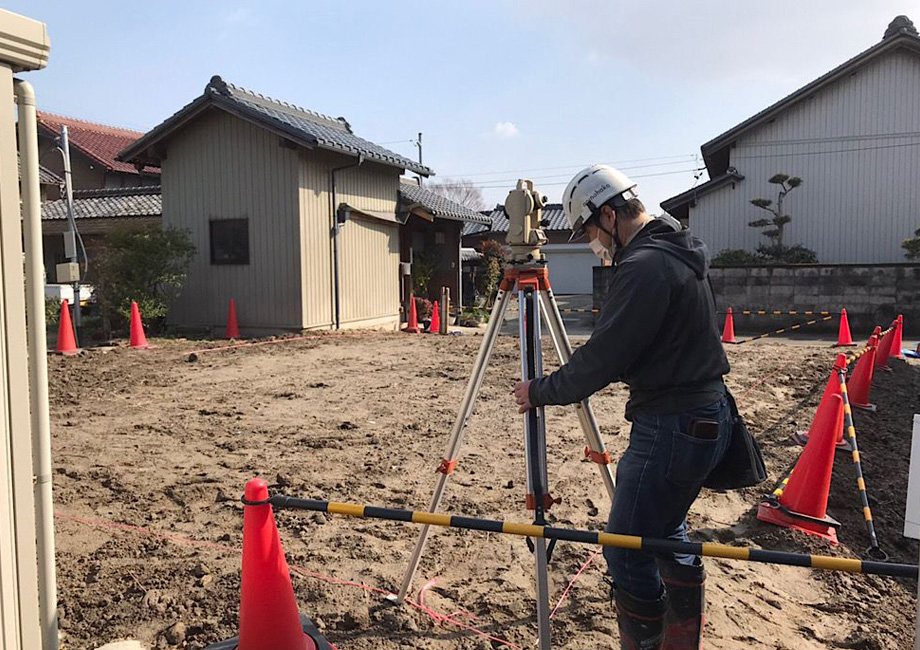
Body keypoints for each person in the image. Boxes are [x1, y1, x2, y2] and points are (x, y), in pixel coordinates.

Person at [512, 164, 731, 650]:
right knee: (666, 528)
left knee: (627, 549)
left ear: (609, 214)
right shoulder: (676, 250)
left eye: (590, 230)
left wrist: (540, 391)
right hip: (705, 416)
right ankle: (680, 641)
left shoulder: (644, 266)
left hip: (671, 425)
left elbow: (602, 358)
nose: (594, 243)